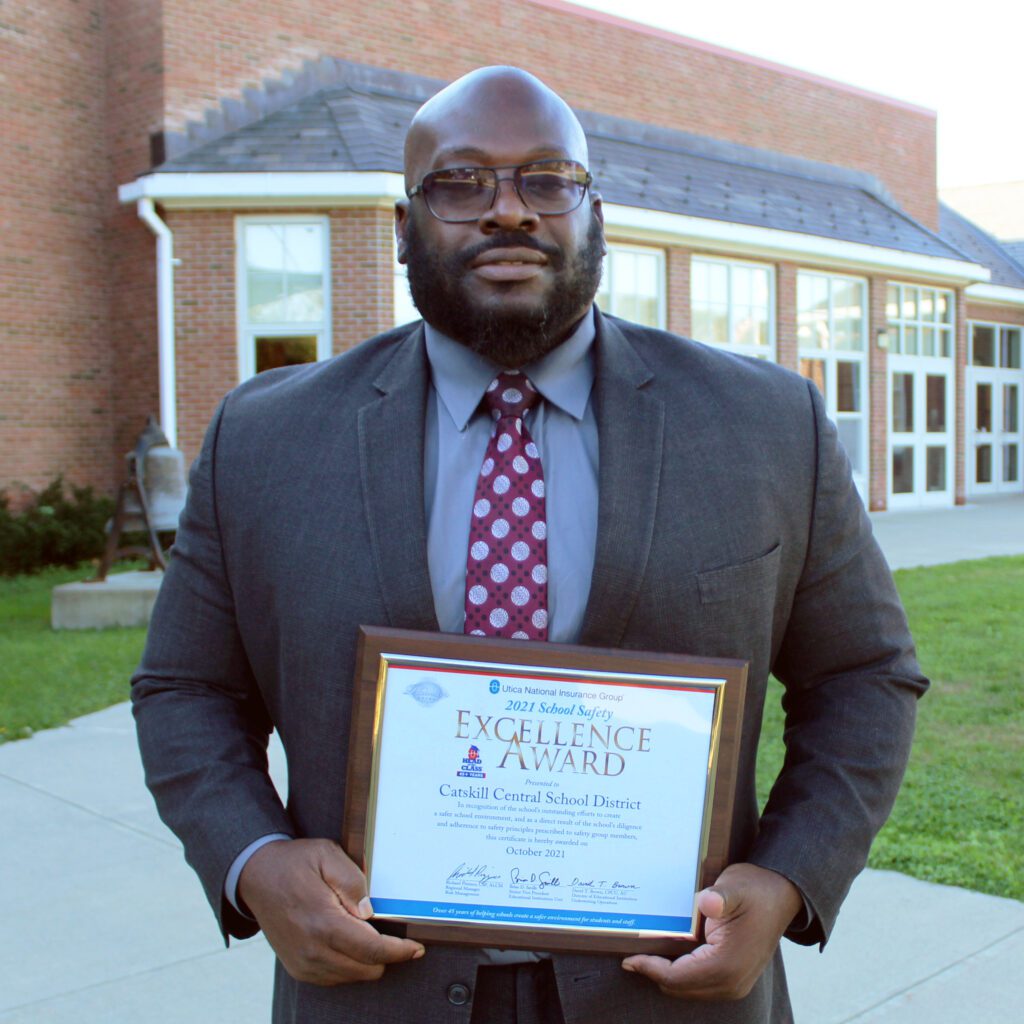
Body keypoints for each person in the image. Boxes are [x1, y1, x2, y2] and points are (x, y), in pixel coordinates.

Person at [132, 66, 927, 1024]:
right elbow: (185, 689)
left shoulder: (765, 426)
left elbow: (865, 677)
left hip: (672, 995)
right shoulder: (266, 438)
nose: (508, 212)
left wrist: (792, 878)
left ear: (597, 217)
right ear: (402, 227)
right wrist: (253, 861)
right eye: (460, 184)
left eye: (547, 181)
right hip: (372, 995)